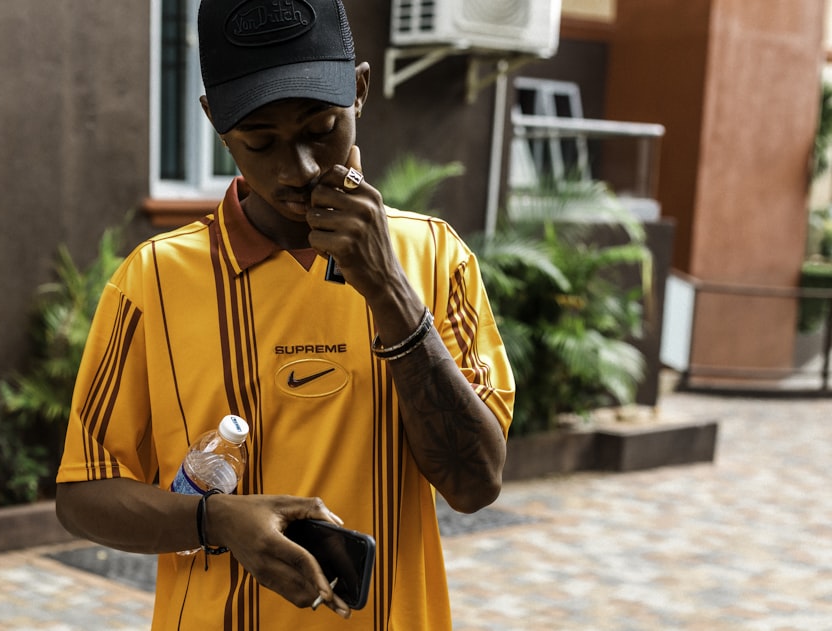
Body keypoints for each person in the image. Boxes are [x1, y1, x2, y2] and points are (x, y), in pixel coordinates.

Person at [55, 0, 515, 628]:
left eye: (321, 129)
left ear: (359, 91)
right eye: (260, 142)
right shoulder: (153, 280)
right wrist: (214, 520)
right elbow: (84, 496)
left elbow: (475, 484)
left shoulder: (436, 257)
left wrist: (389, 291)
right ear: (215, 119)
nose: (296, 169)